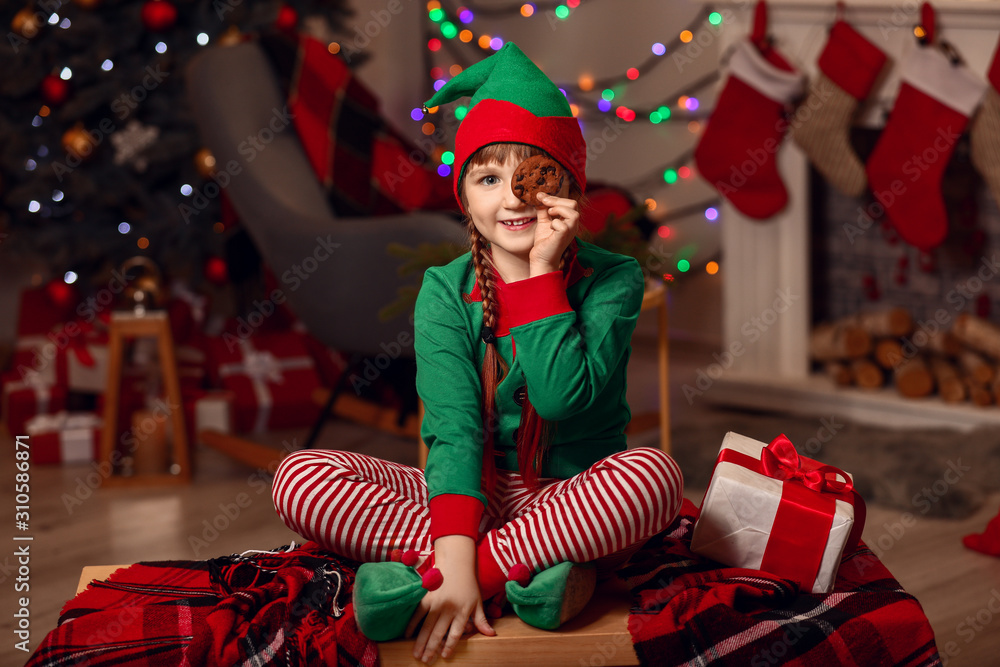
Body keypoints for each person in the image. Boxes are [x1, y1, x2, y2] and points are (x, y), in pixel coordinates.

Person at [271, 42, 684, 665]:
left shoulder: (614, 279)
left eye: (532, 175)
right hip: (470, 490)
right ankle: (517, 576)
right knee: (299, 478)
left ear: (568, 184)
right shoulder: (444, 288)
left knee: (653, 478)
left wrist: (540, 276)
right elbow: (455, 431)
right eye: (489, 178)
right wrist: (459, 540)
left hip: (572, 497)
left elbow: (559, 397)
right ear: (464, 194)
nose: (512, 199)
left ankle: (445, 581)